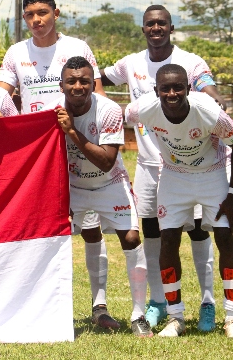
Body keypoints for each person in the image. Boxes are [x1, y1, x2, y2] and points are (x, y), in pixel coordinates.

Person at [98, 4, 226, 331]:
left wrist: (214, 98)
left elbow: (207, 83)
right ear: (143, 29)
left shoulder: (190, 61)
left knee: (198, 231)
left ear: (171, 28)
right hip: (148, 165)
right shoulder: (131, 63)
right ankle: (158, 301)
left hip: (189, 167)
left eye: (162, 23)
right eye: (150, 24)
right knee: (153, 233)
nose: (156, 28)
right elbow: (97, 79)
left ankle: (208, 303)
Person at [125, 64, 233, 339]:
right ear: (156, 91)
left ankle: (232, 317)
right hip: (174, 176)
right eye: (165, 88)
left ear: (188, 89)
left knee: (225, 238)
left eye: (178, 87)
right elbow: (121, 116)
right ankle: (175, 317)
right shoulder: (141, 109)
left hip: (212, 174)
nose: (171, 93)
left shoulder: (207, 111)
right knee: (168, 240)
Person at [54, 56, 152, 337]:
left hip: (109, 183)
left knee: (131, 237)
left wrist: (71, 131)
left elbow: (107, 161)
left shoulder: (108, 110)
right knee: (83, 236)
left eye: (85, 80)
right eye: (71, 81)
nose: (78, 86)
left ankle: (138, 315)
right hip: (72, 187)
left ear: (92, 82)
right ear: (62, 84)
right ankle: (98, 307)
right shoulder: (52, 110)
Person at [0, 0, 99, 113]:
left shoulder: (79, 48)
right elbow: (0, 98)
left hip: (72, 129)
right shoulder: (15, 52)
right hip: (34, 130)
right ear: (24, 18)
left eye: (42, 13)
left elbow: (98, 92)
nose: (36, 20)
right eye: (29, 15)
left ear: (55, 13)